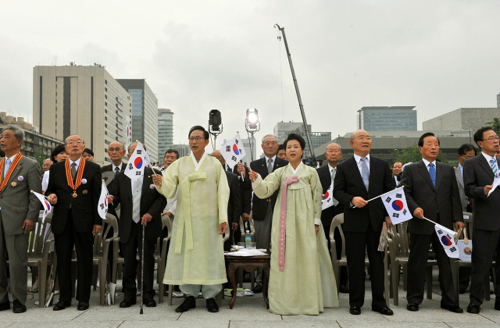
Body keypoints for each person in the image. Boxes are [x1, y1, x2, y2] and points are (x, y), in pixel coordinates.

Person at [249, 133, 338, 315]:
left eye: (296, 146)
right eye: (289, 147)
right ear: (285, 151)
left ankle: (308, 302)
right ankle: (286, 301)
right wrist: (256, 179)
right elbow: (265, 191)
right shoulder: (280, 173)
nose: (292, 150)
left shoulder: (311, 172)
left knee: (307, 257)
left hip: (306, 222)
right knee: (287, 258)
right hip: (284, 223)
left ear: (302, 150)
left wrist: (315, 221)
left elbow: (317, 198)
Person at [152, 125, 229, 313]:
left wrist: (222, 218)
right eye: (191, 138)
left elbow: (223, 191)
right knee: (188, 257)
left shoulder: (215, 164)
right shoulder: (180, 164)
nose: (194, 141)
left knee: (209, 257)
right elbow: (170, 188)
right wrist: (161, 183)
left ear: (206, 141)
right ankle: (190, 295)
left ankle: (211, 296)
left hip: (209, 220)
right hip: (186, 219)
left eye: (197, 138)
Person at [332, 130, 394, 316]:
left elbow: (390, 191)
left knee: (378, 264)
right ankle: (355, 302)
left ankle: (379, 302)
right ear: (352, 143)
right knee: (355, 264)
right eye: (361, 138)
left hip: (377, 222)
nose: (366, 141)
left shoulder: (382, 165)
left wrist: (389, 215)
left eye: (368, 138)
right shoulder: (344, 167)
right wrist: (351, 200)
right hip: (354, 222)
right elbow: (338, 192)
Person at [401, 132, 464, 313]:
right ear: (421, 148)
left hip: (443, 224)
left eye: (436, 144)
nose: (434, 147)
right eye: (429, 144)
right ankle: (414, 299)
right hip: (421, 222)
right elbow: (405, 193)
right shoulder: (411, 169)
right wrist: (414, 208)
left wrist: (458, 219)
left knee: (447, 262)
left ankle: (450, 300)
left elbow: (454, 196)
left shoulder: (447, 169)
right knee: (417, 262)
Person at [46, 135, 102, 311]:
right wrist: (51, 197)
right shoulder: (56, 168)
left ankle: (83, 298)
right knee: (62, 259)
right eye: (71, 143)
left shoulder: (93, 168)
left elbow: (97, 196)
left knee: (84, 259)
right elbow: (50, 190)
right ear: (66, 148)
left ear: (84, 147)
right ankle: (64, 298)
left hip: (84, 219)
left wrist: (97, 221)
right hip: (62, 218)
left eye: (78, 143)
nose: (75, 145)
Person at [108, 142, 166, 308]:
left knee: (147, 260)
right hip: (128, 224)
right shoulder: (122, 176)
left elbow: (162, 198)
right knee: (129, 261)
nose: (135, 155)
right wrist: (111, 199)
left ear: (144, 155)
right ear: (128, 155)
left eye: (138, 152)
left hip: (147, 223)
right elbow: (117, 198)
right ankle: (129, 295)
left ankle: (148, 294)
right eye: (132, 152)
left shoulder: (153, 173)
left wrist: (151, 213)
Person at [0, 125, 42, 313]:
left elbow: (35, 194)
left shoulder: (29, 164)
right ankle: (1, 298)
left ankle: (19, 299)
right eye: (1, 136)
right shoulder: (0, 163)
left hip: (17, 218)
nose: (2, 140)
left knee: (17, 261)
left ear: (18, 141)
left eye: (7, 137)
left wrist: (31, 217)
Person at [240, 134, 287, 293]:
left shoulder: (285, 164)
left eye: (273, 143)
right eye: (267, 143)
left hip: (280, 208)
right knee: (261, 246)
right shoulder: (254, 164)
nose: (270, 145)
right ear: (262, 146)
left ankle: (279, 280)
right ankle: (261, 280)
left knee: (280, 245)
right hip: (261, 211)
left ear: (278, 146)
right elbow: (247, 189)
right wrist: (247, 210)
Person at [464, 127, 500, 314]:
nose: (496, 141)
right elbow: (468, 189)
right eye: (491, 138)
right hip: (485, 222)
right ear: (480, 143)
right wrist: (482, 191)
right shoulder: (472, 163)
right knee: (481, 264)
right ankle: (475, 301)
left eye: (497, 137)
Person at [317, 142, 347, 292]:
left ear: (340, 155)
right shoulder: (318, 172)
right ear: (326, 155)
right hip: (325, 215)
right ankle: (325, 281)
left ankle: (342, 281)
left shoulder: (346, 170)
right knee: (326, 247)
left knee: (343, 248)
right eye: (330, 151)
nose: (333, 153)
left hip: (343, 213)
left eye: (336, 151)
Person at [455, 144, 476, 294]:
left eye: (473, 158)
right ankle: (461, 283)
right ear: (459, 156)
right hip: (460, 215)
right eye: (467, 158)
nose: (470, 161)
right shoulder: (452, 172)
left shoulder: (479, 171)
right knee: (462, 247)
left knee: (479, 249)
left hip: (478, 214)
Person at [211, 150, 242, 249]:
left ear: (223, 161)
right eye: (212, 158)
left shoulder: (232, 177)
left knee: (225, 244)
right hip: (210, 215)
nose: (215, 160)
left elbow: (236, 200)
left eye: (217, 157)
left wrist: (235, 219)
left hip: (227, 216)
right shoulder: (206, 177)